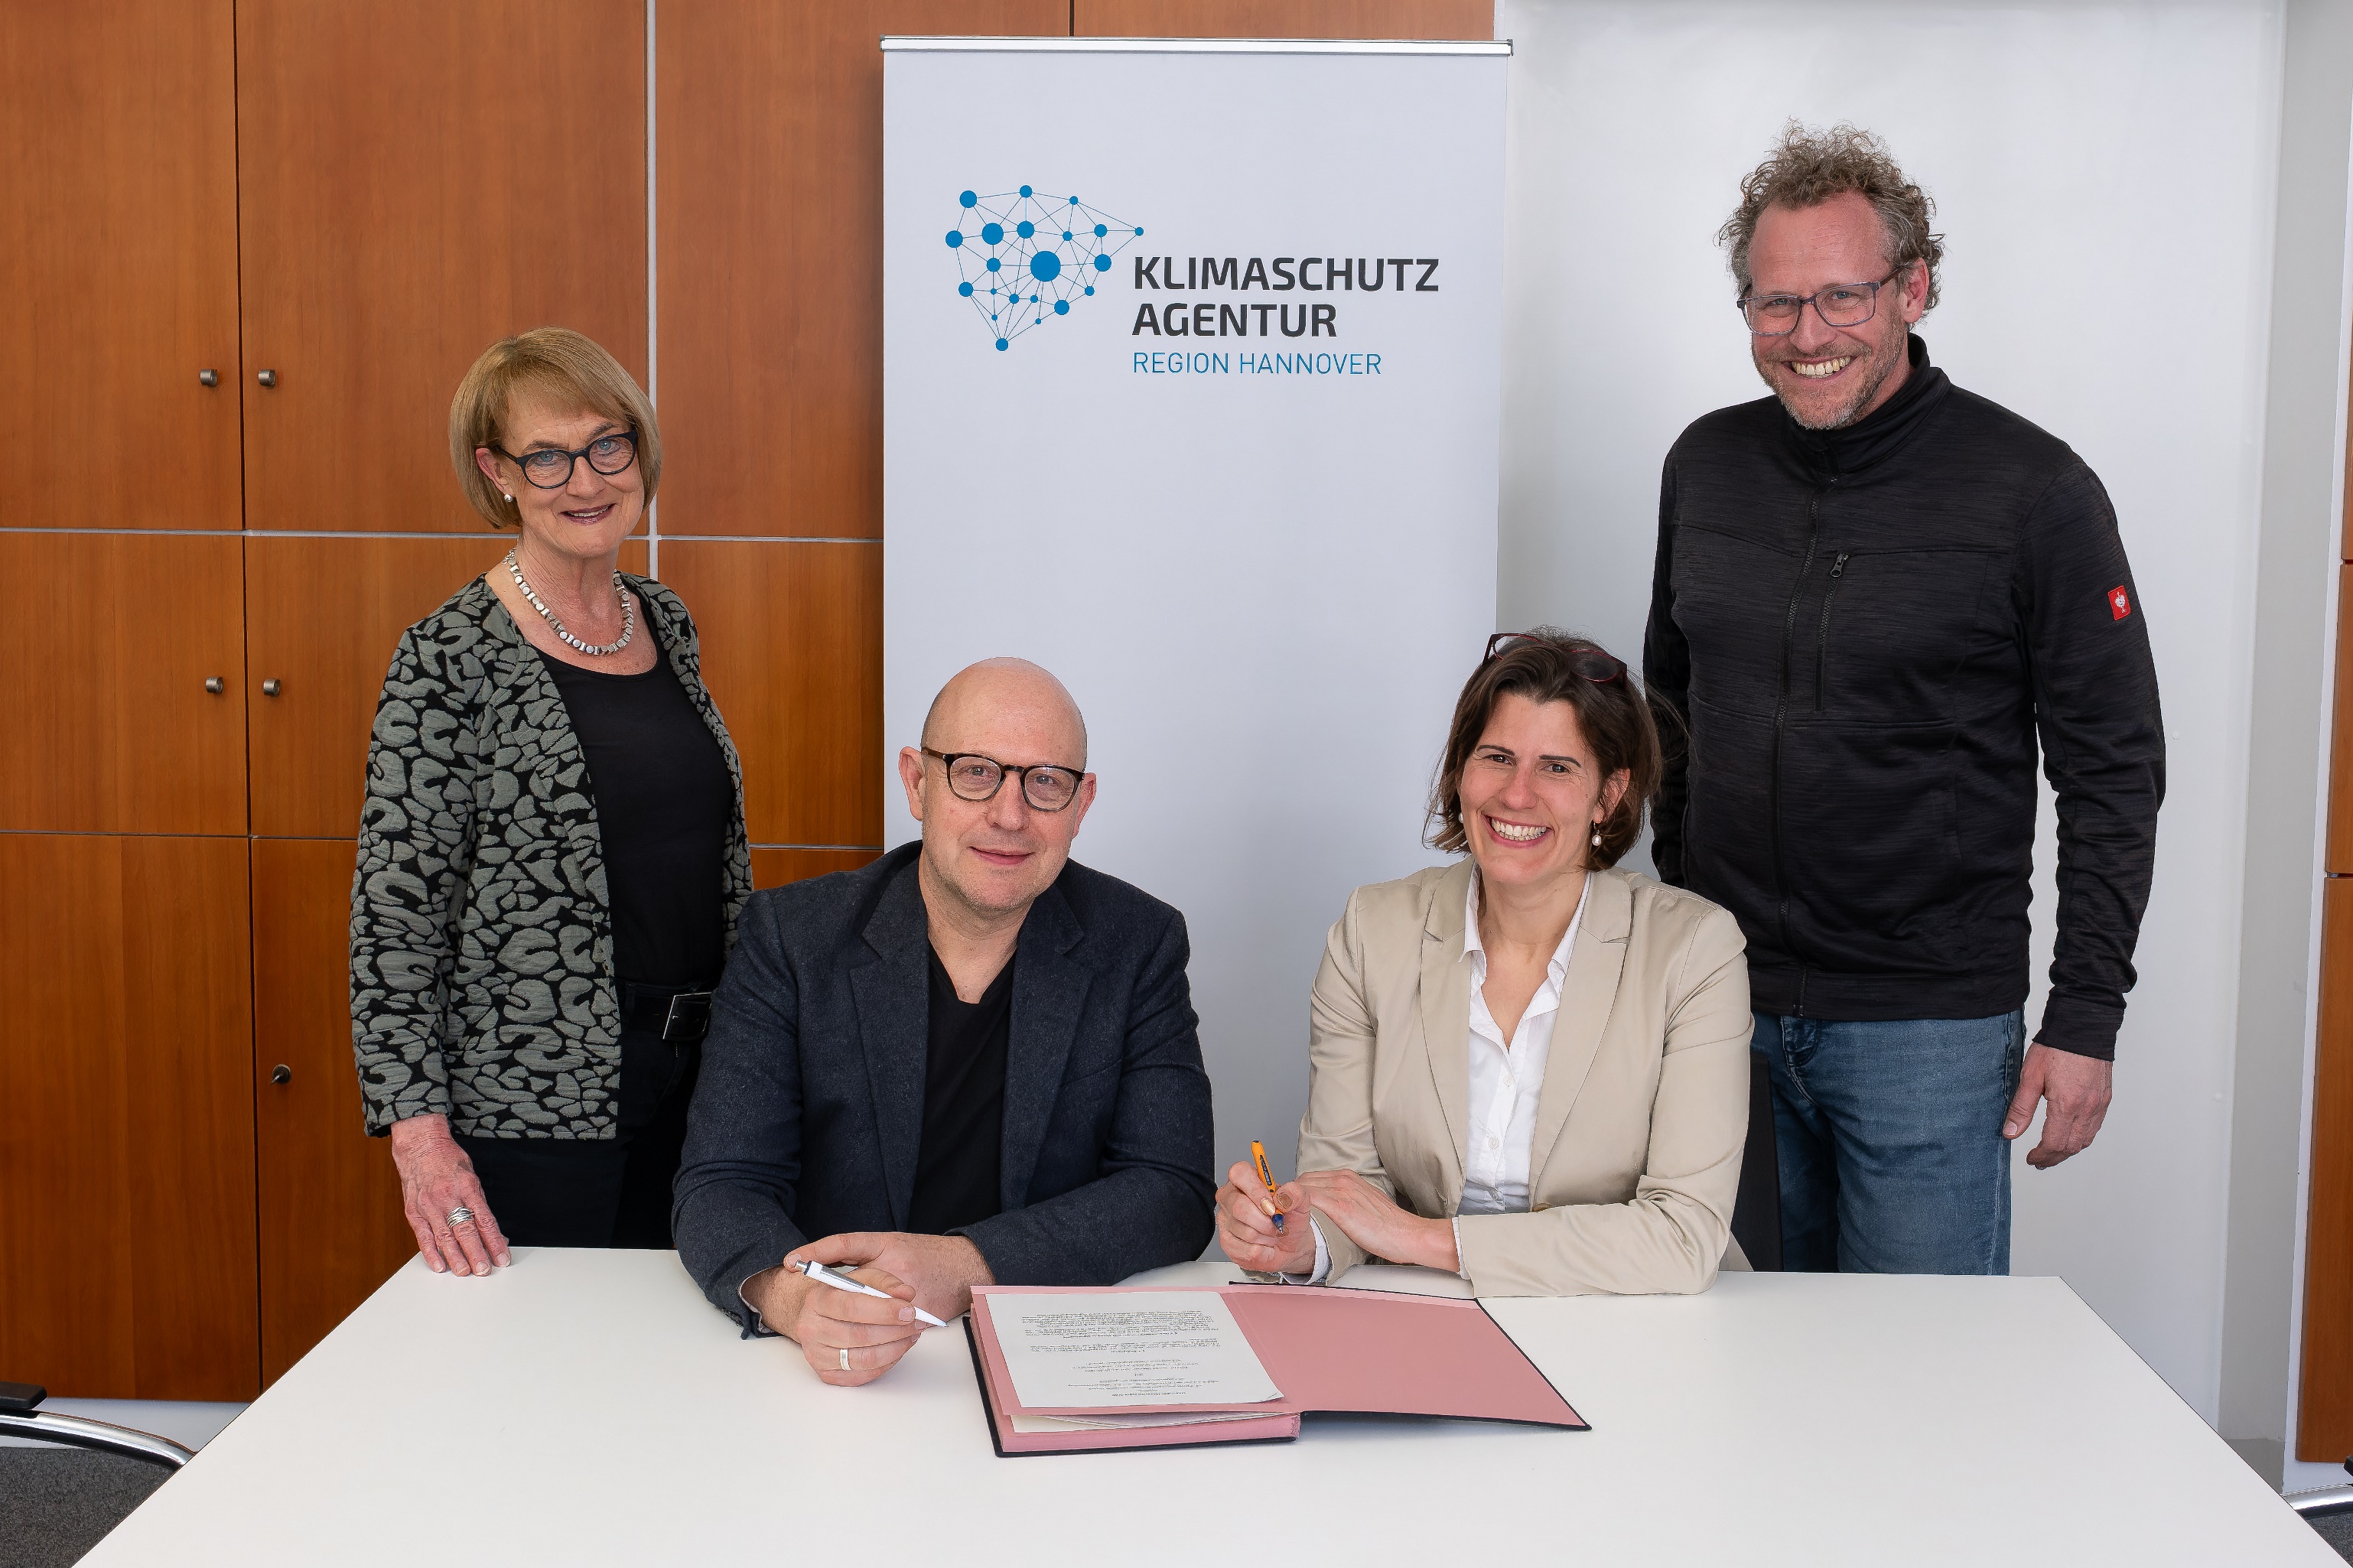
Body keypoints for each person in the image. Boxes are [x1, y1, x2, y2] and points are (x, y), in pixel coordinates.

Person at [1642, 125, 2166, 1274]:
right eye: (1775, 304)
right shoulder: (1705, 465)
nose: (1807, 335)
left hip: (1929, 1028)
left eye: (1843, 296)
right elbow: (1668, 708)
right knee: (1733, 1354)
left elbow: (2114, 770)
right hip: (1723, 1009)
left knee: (1924, 1365)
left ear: (1913, 289)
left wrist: (2085, 1015)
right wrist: (1684, 914)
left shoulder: (2035, 491)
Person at [672, 658, 1215, 1384]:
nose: (1010, 816)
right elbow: (723, 1181)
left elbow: (1172, 1189)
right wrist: (794, 1300)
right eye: (976, 773)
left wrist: (966, 1265)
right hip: (831, 1364)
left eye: (1045, 782)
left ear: (1081, 804)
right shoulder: (794, 938)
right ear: (917, 782)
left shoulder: (1138, 943)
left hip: (1049, 1349)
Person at [350, 327, 751, 1275]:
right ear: (498, 473)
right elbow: (394, 922)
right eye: (548, 456)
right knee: (543, 1361)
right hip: (535, 1104)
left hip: (701, 1087)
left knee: (678, 1340)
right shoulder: (447, 656)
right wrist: (420, 1141)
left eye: (607, 444)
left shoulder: (664, 619)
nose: (586, 480)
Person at [1216, 631, 1752, 1296]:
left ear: (1609, 797)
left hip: (1636, 1323)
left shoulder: (1693, 950)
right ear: (1460, 773)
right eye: (1497, 757)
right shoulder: (1372, 932)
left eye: (1557, 767)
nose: (1517, 795)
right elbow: (1346, 1190)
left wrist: (1425, 1239)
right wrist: (1302, 1241)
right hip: (1423, 1319)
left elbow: (1681, 1236)